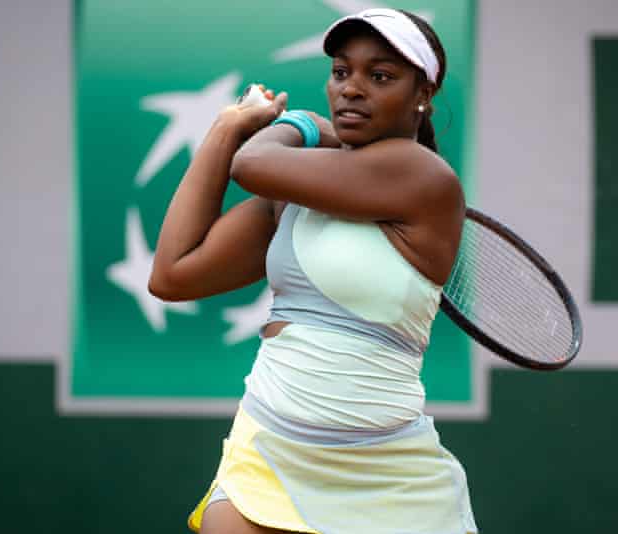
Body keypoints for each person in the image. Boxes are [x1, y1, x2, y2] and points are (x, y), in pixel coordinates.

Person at [149, 7, 478, 534]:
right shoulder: (295, 199)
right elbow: (173, 274)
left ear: (423, 97)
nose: (351, 88)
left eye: (381, 76)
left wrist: (296, 123)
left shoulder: (422, 176)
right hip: (267, 452)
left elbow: (253, 164)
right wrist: (226, 126)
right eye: (342, 72)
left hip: (388, 478)